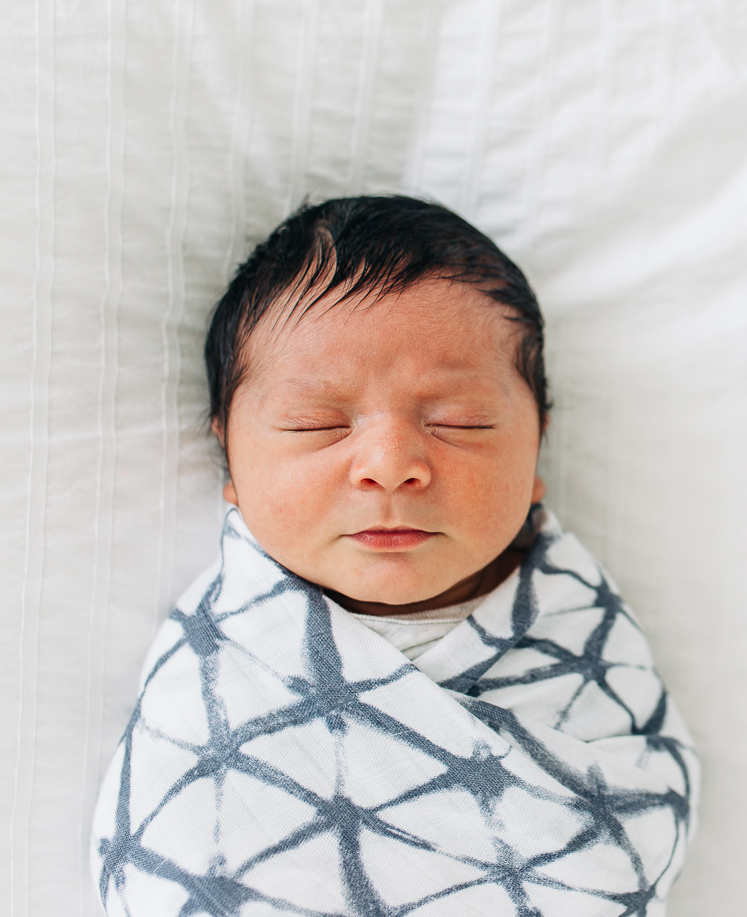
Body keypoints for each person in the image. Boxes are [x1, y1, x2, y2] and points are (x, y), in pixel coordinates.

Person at [91, 195, 698, 917]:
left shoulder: (576, 630)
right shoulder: (231, 657)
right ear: (231, 458)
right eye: (315, 423)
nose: (390, 464)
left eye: (458, 421)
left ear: (537, 451)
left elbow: (625, 838)